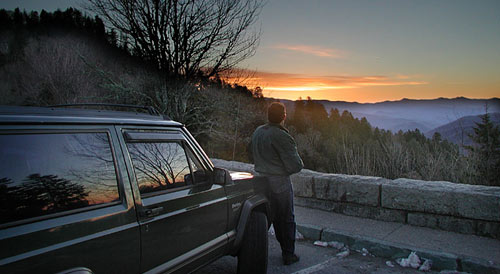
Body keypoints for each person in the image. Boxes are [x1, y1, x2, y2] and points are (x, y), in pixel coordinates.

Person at [249, 102, 304, 265]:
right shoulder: (281, 136)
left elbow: (250, 152)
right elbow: (295, 165)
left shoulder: (258, 132)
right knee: (285, 218)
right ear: (284, 116)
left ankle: (250, 253)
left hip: (259, 180)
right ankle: (288, 254)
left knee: (262, 219)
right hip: (278, 183)